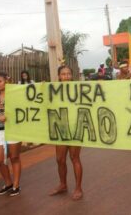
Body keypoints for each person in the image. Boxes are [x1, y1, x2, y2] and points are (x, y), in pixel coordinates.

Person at [49, 65, 83, 200]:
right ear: (59, 76)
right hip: (60, 127)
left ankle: (78, 188)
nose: (66, 76)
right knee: (60, 159)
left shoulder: (78, 89)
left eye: (68, 74)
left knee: (75, 158)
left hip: (75, 127)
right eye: (63, 74)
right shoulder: (53, 90)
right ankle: (63, 185)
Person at [0, 72, 22, 196]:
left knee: (14, 158)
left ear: (6, 81)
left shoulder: (14, 95)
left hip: (14, 130)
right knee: (0, 160)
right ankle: (8, 183)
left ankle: (16, 185)